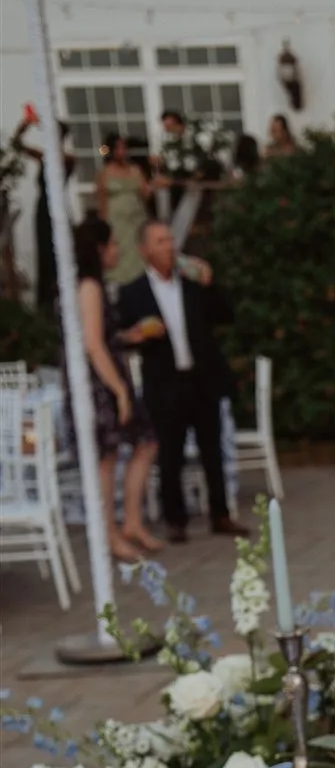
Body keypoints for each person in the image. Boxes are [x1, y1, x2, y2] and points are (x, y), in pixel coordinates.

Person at [117, 218, 244, 542]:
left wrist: (210, 283)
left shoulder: (190, 284)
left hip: (200, 377)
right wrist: (139, 334)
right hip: (164, 381)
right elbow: (117, 336)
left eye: (170, 240)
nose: (169, 247)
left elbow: (226, 315)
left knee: (211, 449)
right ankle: (176, 520)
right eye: (160, 241)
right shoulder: (133, 292)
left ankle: (221, 513)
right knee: (170, 453)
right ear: (145, 250)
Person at [70, 216, 160, 562]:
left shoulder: (91, 285)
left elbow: (100, 337)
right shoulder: (89, 286)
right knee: (105, 460)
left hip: (108, 376)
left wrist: (129, 336)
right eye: (112, 245)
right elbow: (92, 344)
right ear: (99, 249)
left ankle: (131, 522)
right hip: (100, 384)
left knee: (146, 440)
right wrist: (120, 390)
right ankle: (108, 534)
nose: (117, 250)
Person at [10, 109, 76, 312]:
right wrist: (25, 124)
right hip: (42, 208)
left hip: (55, 209)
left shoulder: (66, 159)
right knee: (44, 252)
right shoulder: (46, 156)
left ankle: (62, 297)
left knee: (57, 252)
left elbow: (54, 160)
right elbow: (16, 145)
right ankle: (46, 301)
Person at [95, 131, 151, 285]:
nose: (122, 152)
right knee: (120, 251)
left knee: (138, 249)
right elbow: (102, 201)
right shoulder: (104, 173)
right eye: (119, 148)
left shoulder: (134, 169)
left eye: (124, 148)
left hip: (136, 218)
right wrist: (104, 227)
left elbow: (145, 193)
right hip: (117, 222)